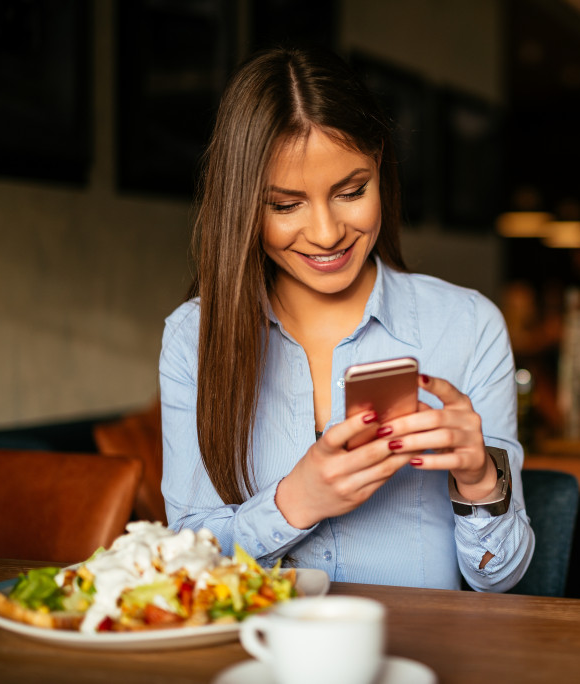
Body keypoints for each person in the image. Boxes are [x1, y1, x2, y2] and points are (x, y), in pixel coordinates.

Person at [159, 46, 534, 592]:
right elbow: (181, 562)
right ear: (243, 205)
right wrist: (295, 502)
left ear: (380, 165)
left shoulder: (468, 326)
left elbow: (500, 580)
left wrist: (479, 479)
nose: (328, 232)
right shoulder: (192, 339)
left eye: (351, 192)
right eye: (285, 206)